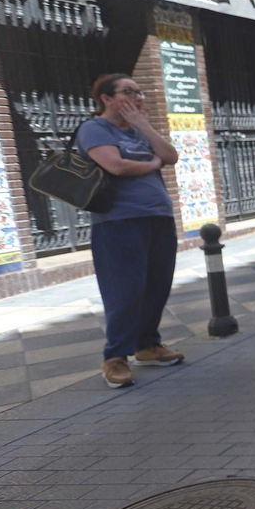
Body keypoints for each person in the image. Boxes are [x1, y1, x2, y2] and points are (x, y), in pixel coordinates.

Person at [79, 73, 185, 387]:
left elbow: (171, 156)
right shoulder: (94, 129)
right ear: (106, 99)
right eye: (128, 92)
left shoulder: (139, 130)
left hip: (158, 217)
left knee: (157, 284)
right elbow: (116, 165)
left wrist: (144, 126)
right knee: (124, 292)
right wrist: (151, 165)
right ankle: (115, 358)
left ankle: (148, 346)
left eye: (140, 92)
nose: (137, 98)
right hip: (118, 222)